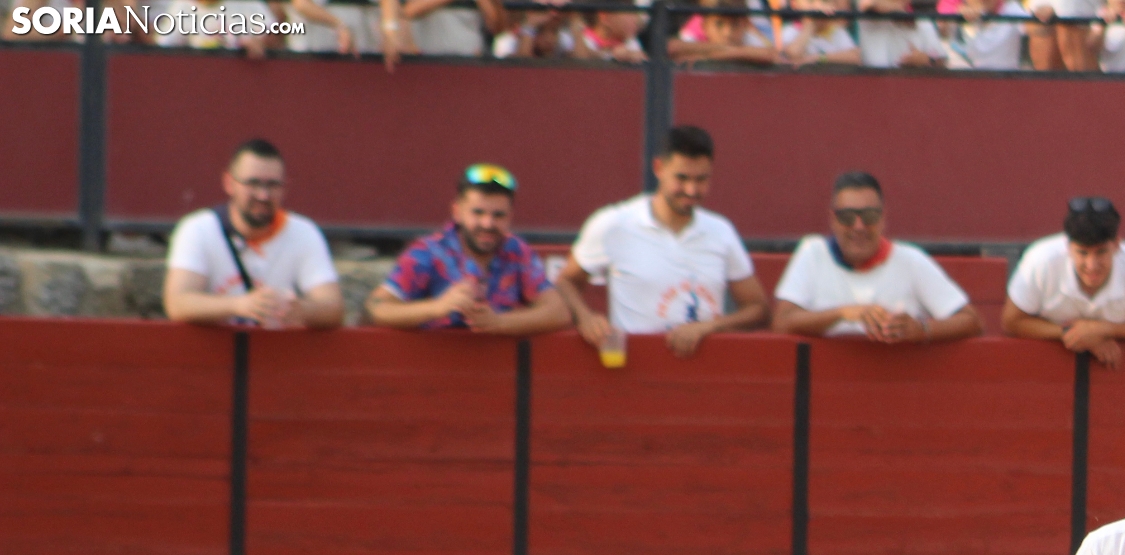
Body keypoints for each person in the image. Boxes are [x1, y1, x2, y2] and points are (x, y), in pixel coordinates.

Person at [557, 125, 768, 360]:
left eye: (701, 179)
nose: (691, 190)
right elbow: (565, 282)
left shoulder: (721, 231)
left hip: (706, 372)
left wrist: (709, 327)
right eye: (682, 178)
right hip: (633, 370)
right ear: (659, 168)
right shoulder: (614, 224)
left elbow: (757, 308)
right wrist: (586, 318)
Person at [773, 172, 983, 343]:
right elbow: (782, 322)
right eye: (847, 217)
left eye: (869, 216)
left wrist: (922, 330)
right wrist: (844, 313)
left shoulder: (910, 260)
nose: (858, 227)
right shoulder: (813, 253)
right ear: (833, 220)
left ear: (883, 219)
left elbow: (972, 321)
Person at [366, 164, 571, 335]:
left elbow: (559, 312)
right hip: (432, 365)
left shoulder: (517, 252)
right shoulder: (428, 252)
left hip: (500, 367)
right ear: (457, 212)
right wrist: (437, 307)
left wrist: (499, 322)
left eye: (498, 215)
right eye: (478, 213)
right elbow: (376, 308)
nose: (487, 224)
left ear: (510, 217)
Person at [163, 139, 343, 330]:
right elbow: (177, 303)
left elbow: (333, 308)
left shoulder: (304, 233)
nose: (263, 195)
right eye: (253, 183)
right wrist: (240, 305)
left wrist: (300, 310)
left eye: (273, 185)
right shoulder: (198, 229)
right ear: (229, 183)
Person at [1002, 196, 1125, 367]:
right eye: (1082, 253)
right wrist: (1074, 334)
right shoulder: (1040, 262)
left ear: (1117, 245)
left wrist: (1100, 329)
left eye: (1101, 252)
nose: (1092, 265)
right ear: (1068, 246)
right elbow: (1011, 321)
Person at [669, 4, 778, 64]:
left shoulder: (752, 38)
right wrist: (738, 52)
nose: (727, 32)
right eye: (719, 24)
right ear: (705, 26)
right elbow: (672, 47)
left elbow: (770, 55)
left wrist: (707, 56)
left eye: (735, 24)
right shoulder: (691, 37)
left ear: (745, 24)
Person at [857, 0, 946, 67]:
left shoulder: (922, 22)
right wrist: (896, 11)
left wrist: (926, 60)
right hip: (869, 82)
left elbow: (941, 62)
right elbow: (867, 4)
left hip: (909, 83)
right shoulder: (860, 21)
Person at [952, 0, 1028, 70]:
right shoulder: (964, 12)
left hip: (1006, 76)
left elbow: (1030, 27)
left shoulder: (1012, 9)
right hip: (972, 76)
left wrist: (1036, 17)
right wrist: (961, 16)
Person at [780, 0, 860, 66]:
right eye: (810, 1)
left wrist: (819, 58)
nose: (818, 6)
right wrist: (810, 26)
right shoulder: (790, 31)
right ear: (795, 4)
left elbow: (855, 57)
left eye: (824, 1)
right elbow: (792, 54)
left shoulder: (837, 32)